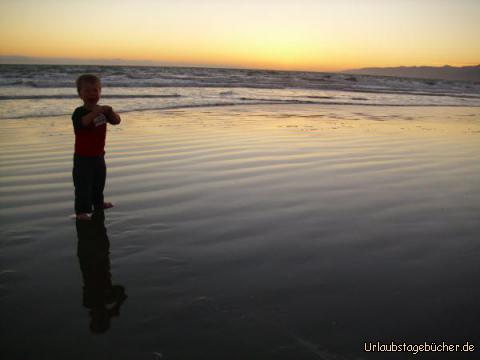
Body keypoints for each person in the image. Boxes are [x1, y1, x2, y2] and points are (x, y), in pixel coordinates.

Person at [72, 74, 121, 220]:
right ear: (80, 94)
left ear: (100, 92)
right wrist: (95, 113)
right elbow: (83, 124)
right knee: (83, 185)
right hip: (83, 157)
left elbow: (117, 121)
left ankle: (98, 204)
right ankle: (81, 211)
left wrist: (110, 111)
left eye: (95, 90)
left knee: (99, 182)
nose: (91, 94)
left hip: (99, 155)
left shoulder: (103, 111)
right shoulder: (79, 112)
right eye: (87, 91)